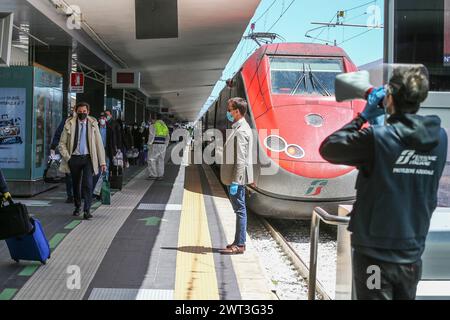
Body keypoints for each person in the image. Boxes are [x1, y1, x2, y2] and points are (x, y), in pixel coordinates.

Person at [319, 66, 448, 300]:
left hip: (374, 258)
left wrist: (364, 117)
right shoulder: (440, 137)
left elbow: (329, 148)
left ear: (389, 97)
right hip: (411, 255)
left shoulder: (376, 139)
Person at [59, 102, 107, 220]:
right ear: (76, 111)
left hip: (88, 159)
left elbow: (99, 144)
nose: (82, 114)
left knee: (88, 184)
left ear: (88, 112)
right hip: (73, 158)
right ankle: (77, 206)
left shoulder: (93, 124)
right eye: (80, 112)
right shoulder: (69, 124)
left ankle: (87, 210)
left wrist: (102, 162)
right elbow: (62, 143)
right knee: (75, 184)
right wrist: (68, 158)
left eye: (84, 112)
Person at [219, 98, 254, 255]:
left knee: (240, 210)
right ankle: (237, 241)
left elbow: (241, 159)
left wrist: (235, 181)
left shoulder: (241, 131)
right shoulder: (239, 127)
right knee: (239, 209)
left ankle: (240, 244)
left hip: (237, 178)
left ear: (237, 112)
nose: (228, 112)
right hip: (236, 177)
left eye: (230, 109)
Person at [50, 108, 74, 203]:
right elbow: (58, 134)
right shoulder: (66, 121)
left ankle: (77, 195)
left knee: (78, 176)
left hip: (81, 154)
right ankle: (71, 195)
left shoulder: (87, 122)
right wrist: (53, 147)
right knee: (69, 174)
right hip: (68, 152)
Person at [147, 114, 170, 180]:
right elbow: (168, 137)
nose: (151, 120)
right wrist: (166, 145)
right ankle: (160, 175)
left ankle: (153, 174)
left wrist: (149, 144)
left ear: (155, 118)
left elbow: (152, 136)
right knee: (161, 160)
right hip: (163, 145)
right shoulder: (165, 126)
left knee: (151, 159)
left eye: (152, 119)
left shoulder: (153, 125)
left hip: (155, 145)